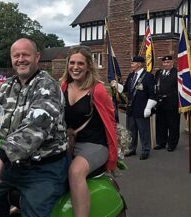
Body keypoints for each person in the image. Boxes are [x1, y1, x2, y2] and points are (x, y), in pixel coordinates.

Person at [0, 38, 69, 217]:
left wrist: (0, 158)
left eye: (25, 55)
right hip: (12, 165)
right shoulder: (5, 87)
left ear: (37, 57)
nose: (20, 59)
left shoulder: (47, 86)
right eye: (16, 56)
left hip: (43, 167)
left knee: (35, 212)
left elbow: (35, 127)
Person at [60, 45, 118, 217]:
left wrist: (113, 154)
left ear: (88, 66)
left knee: (75, 171)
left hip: (94, 144)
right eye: (72, 63)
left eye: (80, 63)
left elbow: (111, 122)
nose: (75, 67)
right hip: (68, 143)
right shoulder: (63, 86)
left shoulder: (97, 90)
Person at [111, 56, 156, 160]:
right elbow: (126, 89)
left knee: (144, 131)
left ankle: (145, 150)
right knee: (131, 131)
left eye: (133, 63)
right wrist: (116, 85)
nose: (131, 65)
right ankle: (132, 149)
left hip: (142, 109)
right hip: (131, 109)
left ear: (139, 64)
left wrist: (148, 108)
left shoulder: (148, 76)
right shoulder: (131, 75)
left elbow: (153, 94)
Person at [154, 55, 180, 152]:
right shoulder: (158, 73)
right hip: (160, 103)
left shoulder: (177, 73)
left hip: (172, 103)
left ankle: (172, 144)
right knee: (161, 124)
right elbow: (155, 86)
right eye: (164, 62)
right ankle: (161, 142)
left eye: (168, 62)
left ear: (172, 62)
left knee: (173, 125)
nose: (166, 64)